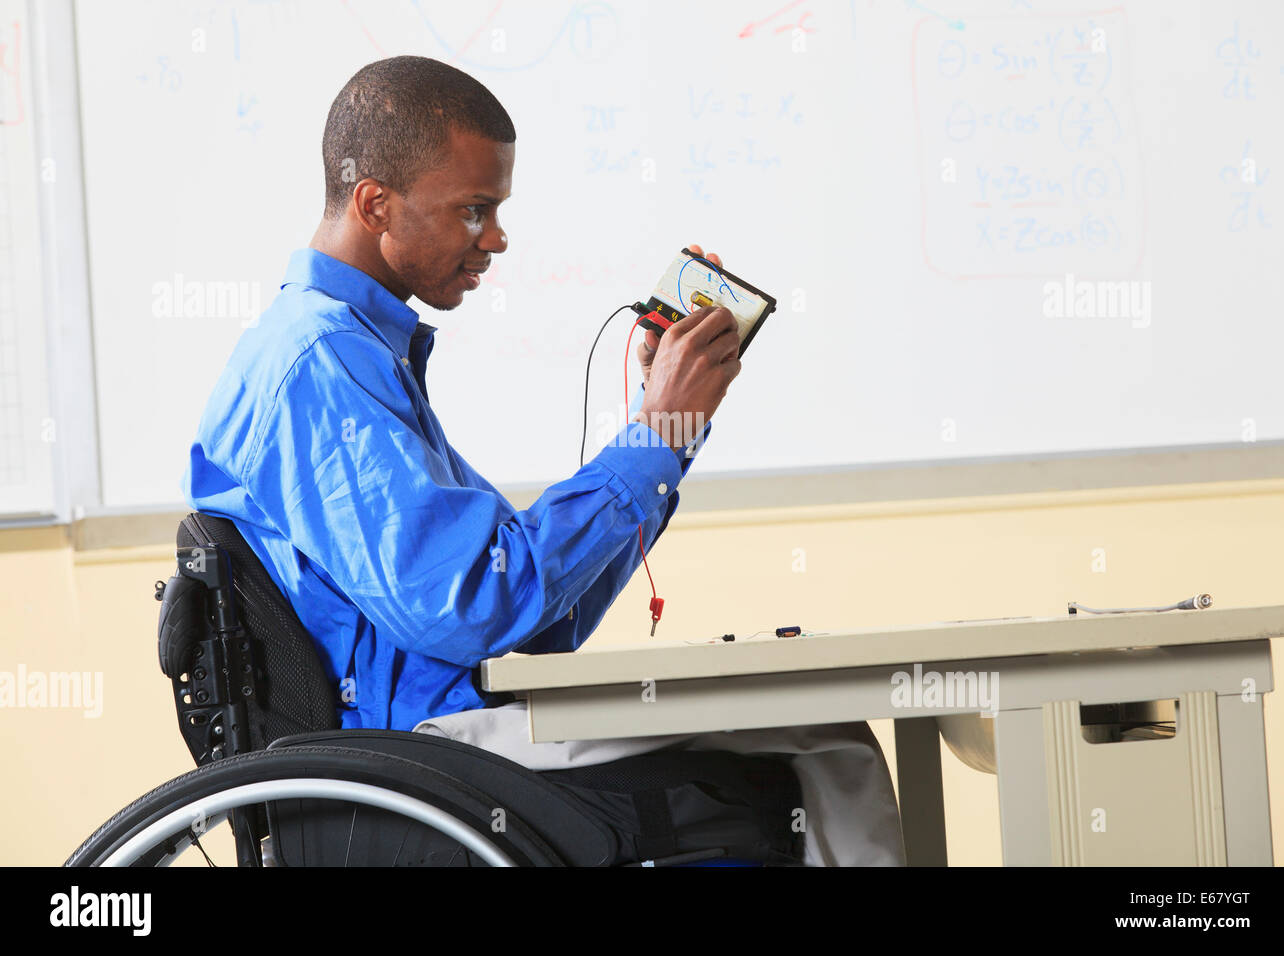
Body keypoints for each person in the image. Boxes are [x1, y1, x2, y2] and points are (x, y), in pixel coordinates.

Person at [182, 55, 903, 865]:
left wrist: (666, 431)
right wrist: (654, 439)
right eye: (474, 210)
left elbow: (542, 619)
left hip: (438, 732)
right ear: (375, 203)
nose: (495, 238)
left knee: (813, 731)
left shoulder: (350, 353)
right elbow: (477, 602)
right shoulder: (318, 363)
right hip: (418, 754)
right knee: (824, 746)